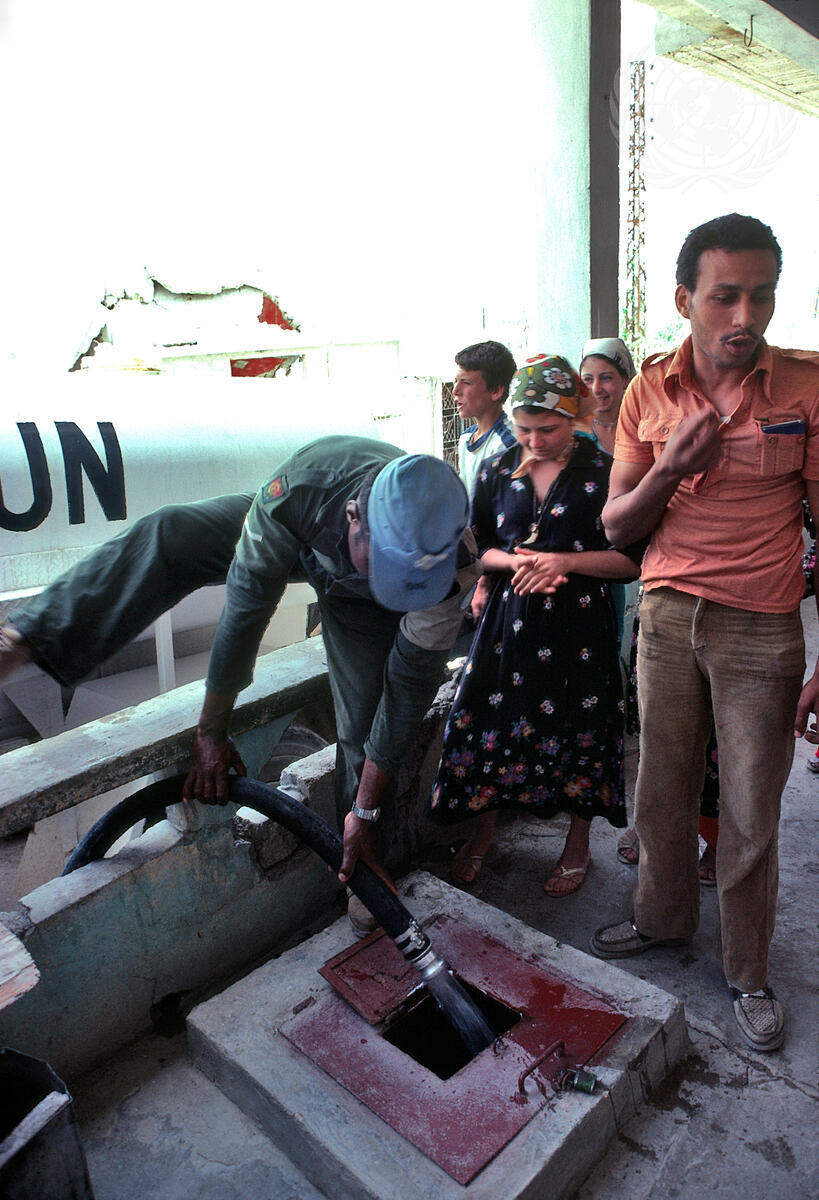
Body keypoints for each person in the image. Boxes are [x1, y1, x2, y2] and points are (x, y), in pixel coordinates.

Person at [1, 436, 481, 934]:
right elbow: (247, 607)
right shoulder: (300, 490)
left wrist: (365, 811)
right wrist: (212, 729)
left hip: (360, 605)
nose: (398, 581)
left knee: (365, 722)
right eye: (385, 562)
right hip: (305, 540)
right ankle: (31, 634)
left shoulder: (450, 562)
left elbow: (406, 695)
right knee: (171, 533)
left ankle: (364, 862)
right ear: (355, 515)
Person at [590, 214, 819, 1054]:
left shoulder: (805, 387)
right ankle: (660, 919)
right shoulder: (646, 392)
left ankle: (747, 969)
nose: (743, 316)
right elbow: (617, 525)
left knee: (752, 806)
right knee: (660, 785)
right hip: (664, 615)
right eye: (724, 296)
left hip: (761, 623)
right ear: (685, 299)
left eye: (760, 296)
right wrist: (669, 468)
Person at [427, 355, 643, 895]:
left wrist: (564, 562)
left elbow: (631, 561)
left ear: (573, 417)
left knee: (583, 732)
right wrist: (517, 562)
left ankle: (577, 846)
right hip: (509, 626)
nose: (535, 441)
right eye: (524, 429)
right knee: (484, 723)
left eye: (548, 429)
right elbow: (479, 549)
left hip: (581, 631)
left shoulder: (605, 473)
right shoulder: (496, 470)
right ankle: (484, 833)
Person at [453, 340, 518, 498]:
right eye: (456, 381)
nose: (455, 390)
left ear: (495, 391)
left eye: (466, 382)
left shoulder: (507, 444)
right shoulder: (466, 438)